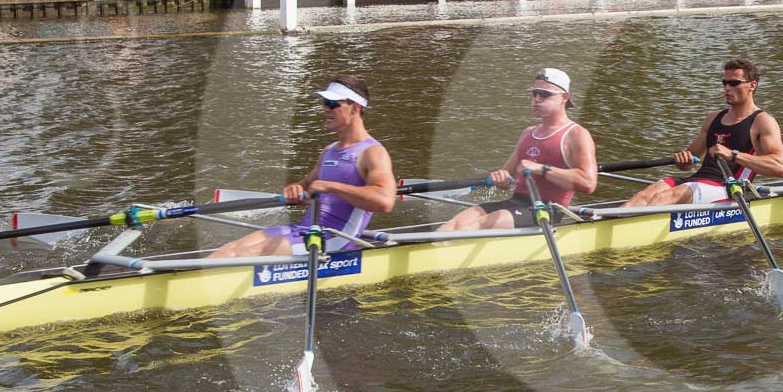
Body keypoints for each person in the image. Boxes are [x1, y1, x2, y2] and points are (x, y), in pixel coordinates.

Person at [209, 78, 396, 258]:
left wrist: (331, 187)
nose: (325, 109)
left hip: (335, 238)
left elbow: (385, 201)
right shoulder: (329, 151)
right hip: (305, 229)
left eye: (332, 104)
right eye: (324, 102)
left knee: (246, 255)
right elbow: (306, 186)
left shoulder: (373, 153)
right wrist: (295, 189)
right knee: (229, 249)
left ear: (355, 108)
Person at [439, 69, 600, 231]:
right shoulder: (528, 133)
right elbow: (509, 177)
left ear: (564, 97)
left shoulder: (576, 135)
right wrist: (501, 178)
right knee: (453, 225)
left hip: (547, 210)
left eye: (544, 94)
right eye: (535, 93)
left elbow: (588, 183)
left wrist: (541, 169)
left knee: (475, 226)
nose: (536, 99)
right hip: (516, 202)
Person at [621, 58, 783, 207]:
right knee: (644, 196)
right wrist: (684, 161)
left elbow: (780, 167)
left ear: (752, 85)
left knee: (664, 198)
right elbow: (691, 158)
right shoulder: (713, 118)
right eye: (725, 83)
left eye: (734, 83)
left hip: (728, 187)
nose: (727, 88)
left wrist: (733, 155)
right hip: (698, 180)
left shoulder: (762, 121)